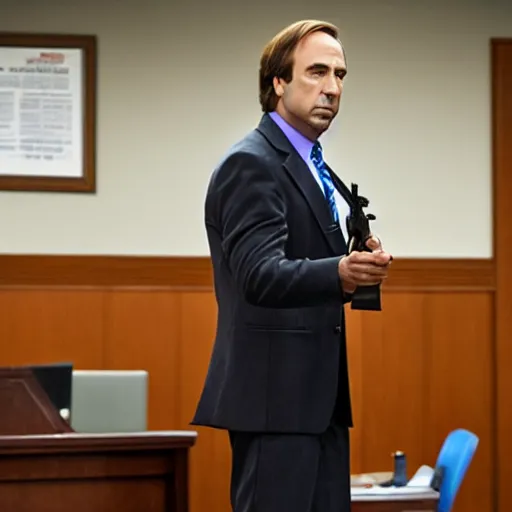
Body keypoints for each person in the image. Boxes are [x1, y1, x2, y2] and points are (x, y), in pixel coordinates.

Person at [191, 19, 392, 512]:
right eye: (317, 72)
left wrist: (357, 264)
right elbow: (258, 274)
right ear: (278, 82)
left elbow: (306, 259)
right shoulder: (252, 162)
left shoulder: (314, 164)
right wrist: (339, 273)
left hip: (317, 404)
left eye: (341, 75)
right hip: (274, 404)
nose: (332, 88)